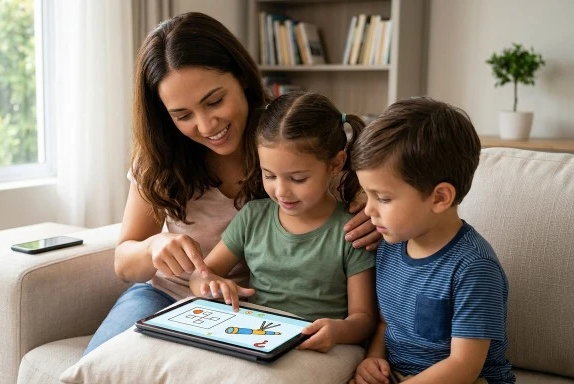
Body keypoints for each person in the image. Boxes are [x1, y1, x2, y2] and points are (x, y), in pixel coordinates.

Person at [82, 12, 380, 356]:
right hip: (165, 295)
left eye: (214, 101)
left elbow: (370, 198)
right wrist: (153, 247)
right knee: (98, 366)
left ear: (242, 79)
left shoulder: (285, 139)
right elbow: (124, 262)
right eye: (183, 115)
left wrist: (372, 211)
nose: (206, 125)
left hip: (248, 309)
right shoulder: (161, 159)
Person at [189, 91, 377, 352]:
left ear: (336, 163)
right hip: (256, 339)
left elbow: (364, 319)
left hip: (320, 345)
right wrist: (211, 284)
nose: (281, 191)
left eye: (298, 179)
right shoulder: (253, 217)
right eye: (269, 176)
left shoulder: (352, 230)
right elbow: (200, 275)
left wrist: (337, 330)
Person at [350, 97, 514, 383]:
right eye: (368, 194)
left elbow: (464, 365)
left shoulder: (475, 268)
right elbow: (386, 322)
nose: (369, 210)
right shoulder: (391, 245)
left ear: (440, 198)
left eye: (383, 198)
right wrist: (374, 357)